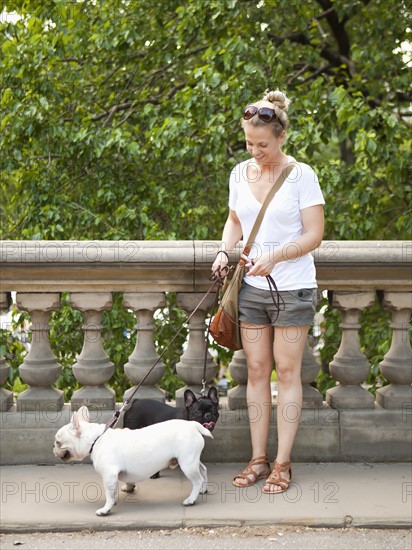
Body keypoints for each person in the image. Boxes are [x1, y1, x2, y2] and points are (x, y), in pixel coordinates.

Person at [211, 90, 324, 494]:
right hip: (252, 289)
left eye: (262, 144)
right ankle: (257, 459)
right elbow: (234, 221)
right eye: (248, 143)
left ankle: (282, 463)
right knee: (256, 373)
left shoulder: (302, 176)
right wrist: (226, 251)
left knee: (288, 373)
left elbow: (314, 235)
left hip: (291, 290)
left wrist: (275, 256)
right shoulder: (240, 173)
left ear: (280, 138)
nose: (255, 151)